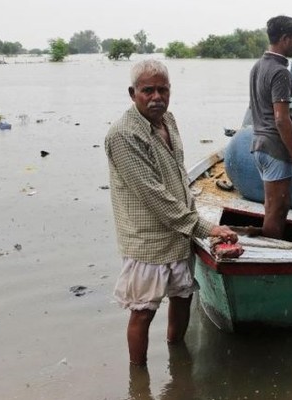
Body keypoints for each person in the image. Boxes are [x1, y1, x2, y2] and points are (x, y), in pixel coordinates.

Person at [105, 60, 238, 366]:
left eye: (162, 89)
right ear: (132, 93)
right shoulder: (123, 135)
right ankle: (138, 379)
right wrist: (205, 228)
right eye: (147, 90)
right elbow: (154, 195)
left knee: (182, 296)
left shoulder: (169, 121)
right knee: (143, 310)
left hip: (179, 232)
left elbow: (178, 174)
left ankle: (178, 366)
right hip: (148, 240)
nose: (156, 97)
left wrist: (194, 224)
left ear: (170, 91)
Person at [249, 15, 292, 239]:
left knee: (272, 205)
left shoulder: (258, 66)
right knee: (279, 208)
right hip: (275, 148)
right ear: (284, 39)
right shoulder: (281, 72)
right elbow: (282, 120)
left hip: (259, 145)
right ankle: (268, 257)